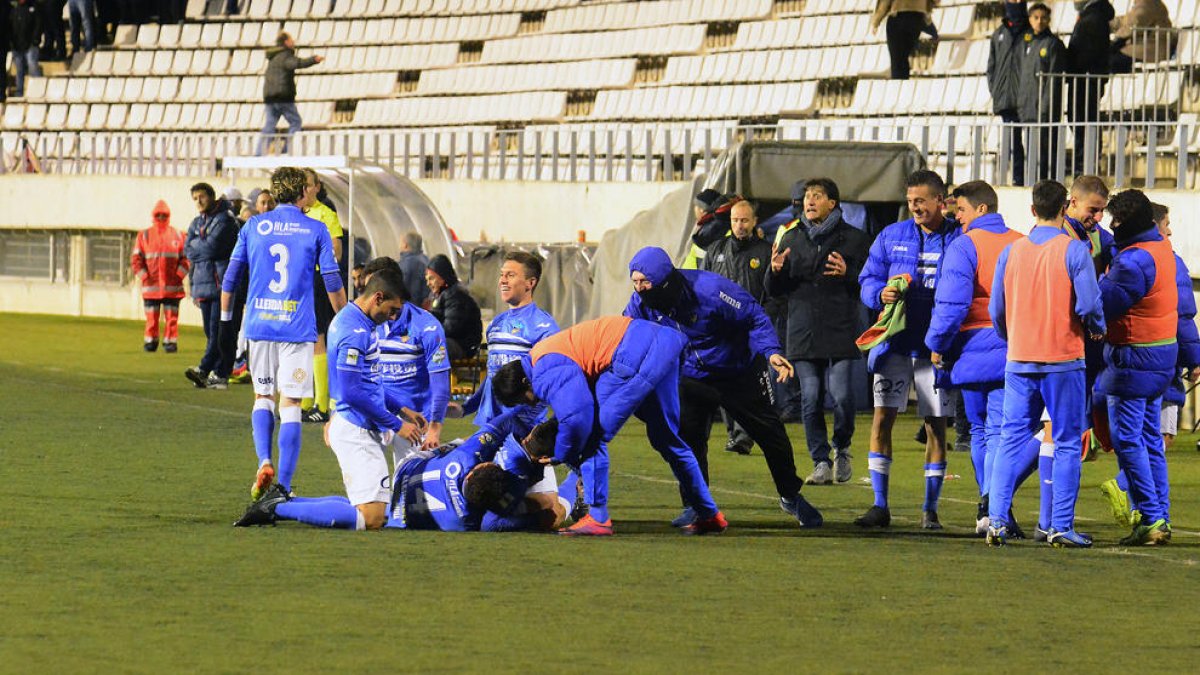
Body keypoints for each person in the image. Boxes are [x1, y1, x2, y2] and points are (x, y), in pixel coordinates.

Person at [625, 247, 823, 530]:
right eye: (635, 282)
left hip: (738, 372)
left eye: (645, 282)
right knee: (688, 439)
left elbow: (754, 315)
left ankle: (790, 495)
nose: (640, 289)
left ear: (665, 278)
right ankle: (696, 505)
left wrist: (771, 352)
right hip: (692, 376)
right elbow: (626, 334)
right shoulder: (640, 304)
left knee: (771, 435)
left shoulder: (711, 290)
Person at [492, 315, 730, 536]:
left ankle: (597, 517)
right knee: (669, 441)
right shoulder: (543, 352)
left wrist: (560, 454)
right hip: (662, 344)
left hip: (628, 354)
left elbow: (577, 418)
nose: (532, 401)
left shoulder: (542, 370)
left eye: (525, 397)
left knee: (591, 435)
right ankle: (708, 513)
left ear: (524, 381)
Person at [233, 266, 418, 530]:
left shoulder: (361, 323)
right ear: (378, 297)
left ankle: (281, 501)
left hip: (358, 426)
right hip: (356, 430)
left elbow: (371, 383)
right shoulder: (354, 333)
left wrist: (402, 408)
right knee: (372, 518)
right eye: (392, 309)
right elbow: (352, 392)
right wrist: (398, 424)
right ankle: (279, 508)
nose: (392, 317)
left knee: (371, 509)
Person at [986, 180, 1106, 548]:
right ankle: (1059, 525)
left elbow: (996, 310)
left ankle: (995, 521)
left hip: (1019, 359)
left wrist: (1013, 337)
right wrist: (1097, 328)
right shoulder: (1073, 251)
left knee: (1010, 439)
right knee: (1068, 442)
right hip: (1063, 360)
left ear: (1033, 210)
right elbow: (1088, 305)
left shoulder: (1012, 251)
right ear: (1064, 208)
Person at [218, 166, 346, 501]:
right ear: (303, 192)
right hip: (297, 328)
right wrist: (346, 319)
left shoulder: (254, 226)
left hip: (259, 325)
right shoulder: (316, 229)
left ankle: (264, 460)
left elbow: (231, 278)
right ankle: (284, 486)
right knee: (290, 403)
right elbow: (332, 280)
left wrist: (226, 318)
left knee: (263, 397)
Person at [855, 169, 959, 530]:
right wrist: (877, 294)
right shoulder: (891, 235)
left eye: (921, 201)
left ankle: (930, 510)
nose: (914, 207)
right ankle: (879, 505)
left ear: (939, 202)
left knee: (935, 425)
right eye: (910, 201)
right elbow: (867, 279)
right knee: (882, 418)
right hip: (895, 344)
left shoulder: (959, 238)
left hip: (935, 347)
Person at [925, 181, 1023, 532]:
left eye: (962, 211)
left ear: (982, 209)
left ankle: (988, 506)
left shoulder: (965, 245)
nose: (958, 219)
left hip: (973, 346)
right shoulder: (1020, 242)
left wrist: (936, 342)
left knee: (982, 431)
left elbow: (952, 304)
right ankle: (996, 508)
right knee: (1003, 431)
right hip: (1018, 346)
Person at [1095, 190, 1185, 546]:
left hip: (1134, 358)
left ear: (1121, 223)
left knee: (1127, 439)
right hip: (1162, 356)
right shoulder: (1162, 249)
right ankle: (1161, 515)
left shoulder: (1132, 262)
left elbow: (1105, 305)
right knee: (1149, 440)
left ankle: (1150, 516)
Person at [766, 178, 869, 485]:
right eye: (807, 197)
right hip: (802, 329)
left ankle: (842, 447)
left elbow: (871, 282)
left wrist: (848, 274)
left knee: (842, 397)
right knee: (810, 399)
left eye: (817, 196)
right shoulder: (791, 238)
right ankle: (820, 460)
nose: (809, 201)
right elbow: (775, 292)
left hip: (840, 327)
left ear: (832, 203)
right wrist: (774, 272)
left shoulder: (854, 239)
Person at [701, 200, 772, 456]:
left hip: (751, 329)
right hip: (720, 329)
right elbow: (703, 286)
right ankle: (734, 433)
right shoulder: (716, 250)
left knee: (747, 383)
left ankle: (743, 435)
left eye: (744, 220)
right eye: (735, 220)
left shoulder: (765, 252)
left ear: (754, 222)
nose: (739, 225)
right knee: (722, 383)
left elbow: (771, 291)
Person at [374, 256, 452, 459]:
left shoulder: (427, 326)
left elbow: (440, 382)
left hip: (416, 421)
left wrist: (435, 427)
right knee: (371, 486)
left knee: (412, 486)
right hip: (375, 414)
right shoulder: (363, 322)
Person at [183, 182, 239, 389]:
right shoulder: (197, 222)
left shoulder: (225, 220)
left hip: (220, 284)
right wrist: (200, 248)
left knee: (218, 331)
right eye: (195, 198)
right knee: (210, 331)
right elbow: (187, 249)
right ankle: (216, 374)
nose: (198, 202)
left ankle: (205, 369)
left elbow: (212, 248)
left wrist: (199, 247)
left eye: (202, 197)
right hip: (202, 283)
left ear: (212, 197)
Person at [299, 169, 344, 424]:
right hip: (297, 281)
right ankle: (304, 399)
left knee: (317, 339)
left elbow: (336, 251)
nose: (305, 190)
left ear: (317, 187)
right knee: (302, 339)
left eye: (308, 185)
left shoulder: (326, 215)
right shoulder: (295, 214)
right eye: (301, 186)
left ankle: (322, 403)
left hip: (315, 279)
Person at [130, 200, 189, 353]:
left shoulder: (178, 235)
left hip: (172, 286)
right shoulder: (144, 236)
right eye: (159, 215)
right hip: (152, 287)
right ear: (154, 216)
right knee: (151, 318)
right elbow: (136, 259)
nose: (161, 217)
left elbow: (187, 258)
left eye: (164, 215)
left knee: (172, 318)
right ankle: (151, 341)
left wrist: (178, 275)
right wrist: (144, 276)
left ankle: (170, 342)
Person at [1067, 0, 1115, 175]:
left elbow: (1089, 53)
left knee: (1084, 120)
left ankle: (1085, 165)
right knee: (1082, 120)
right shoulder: (1093, 15)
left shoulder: (1093, 18)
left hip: (1086, 79)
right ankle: (1084, 163)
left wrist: (1070, 63)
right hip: (1084, 79)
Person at [255, 31, 323, 156]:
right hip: (283, 97)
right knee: (296, 122)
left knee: (270, 125)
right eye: (291, 40)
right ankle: (287, 150)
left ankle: (259, 153)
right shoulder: (285, 56)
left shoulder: (273, 57)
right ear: (286, 42)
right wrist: (313, 60)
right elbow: (297, 63)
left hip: (270, 97)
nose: (293, 42)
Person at [1020, 3, 1067, 181]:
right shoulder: (1027, 44)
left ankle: (1049, 183)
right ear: (1030, 19)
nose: (1039, 21)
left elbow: (1054, 79)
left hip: (1045, 110)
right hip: (1028, 108)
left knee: (1047, 151)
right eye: (1035, 17)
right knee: (1031, 151)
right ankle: (1032, 182)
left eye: (1043, 18)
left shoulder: (1053, 44)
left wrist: (1046, 107)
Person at [988, 0, 1030, 184]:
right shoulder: (998, 34)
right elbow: (991, 68)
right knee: (1013, 143)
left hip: (1027, 99)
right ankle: (1017, 179)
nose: (1015, 3)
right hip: (1005, 99)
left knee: (1031, 141)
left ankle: (1033, 179)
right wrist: (997, 91)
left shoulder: (1032, 33)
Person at [426, 254, 483, 360]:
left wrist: (428, 334)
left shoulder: (455, 295)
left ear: (442, 277)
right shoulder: (440, 296)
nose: (428, 283)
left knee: (433, 345)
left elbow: (450, 328)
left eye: (431, 278)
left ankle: (435, 376)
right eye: (427, 279)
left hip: (463, 345)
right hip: (452, 342)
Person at [871, 0, 937, 80]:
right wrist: (926, 9)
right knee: (904, 59)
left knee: (898, 62)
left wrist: (876, 21)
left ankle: (898, 88)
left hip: (899, 16)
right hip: (917, 17)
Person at [1109, 0, 1175, 74]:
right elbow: (1126, 20)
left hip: (1148, 52)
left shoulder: (1147, 4)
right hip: (1141, 50)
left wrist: (1114, 42)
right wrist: (1105, 23)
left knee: (1107, 61)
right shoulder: (1145, 4)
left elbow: (1133, 25)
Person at [8, 0, 42, 98]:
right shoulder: (13, 10)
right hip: (17, 46)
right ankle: (19, 92)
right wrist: (12, 43)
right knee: (19, 70)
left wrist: (35, 41)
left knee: (33, 66)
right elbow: (10, 27)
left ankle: (38, 91)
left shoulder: (34, 8)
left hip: (31, 46)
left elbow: (38, 24)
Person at [398, 231, 429, 308]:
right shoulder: (427, 261)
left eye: (401, 243)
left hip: (407, 309)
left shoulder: (404, 264)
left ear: (405, 245)